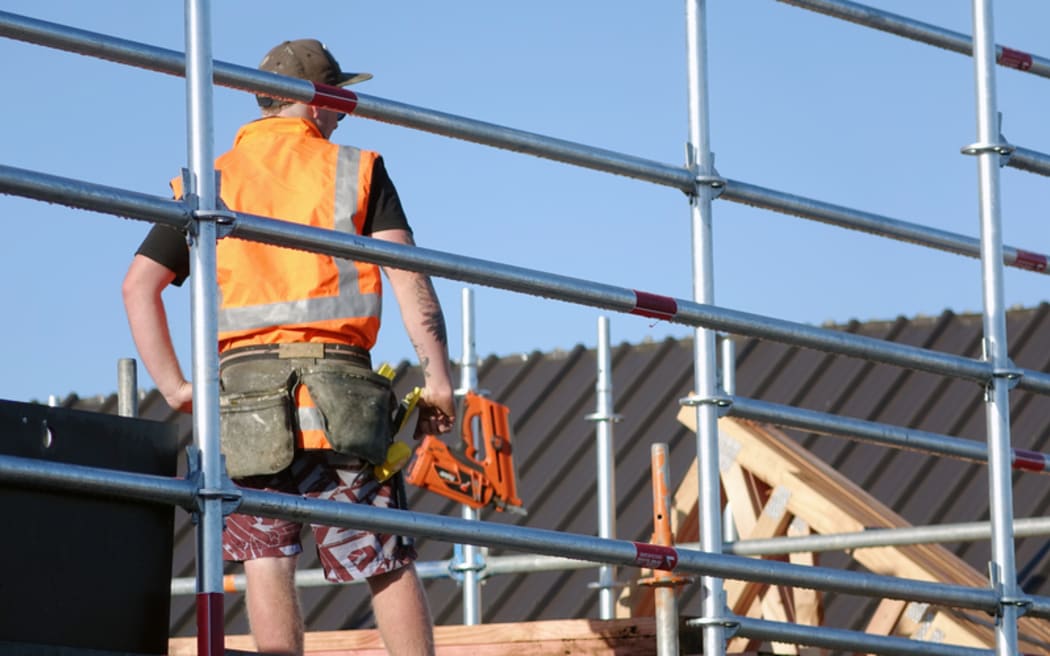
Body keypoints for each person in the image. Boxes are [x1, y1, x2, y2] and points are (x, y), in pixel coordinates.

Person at [122, 38, 455, 656]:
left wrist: (175, 388)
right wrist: (438, 376)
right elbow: (408, 273)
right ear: (316, 101)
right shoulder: (355, 167)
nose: (342, 113)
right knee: (380, 552)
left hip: (241, 399)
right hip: (340, 393)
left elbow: (139, 287)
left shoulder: (208, 180)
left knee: (265, 558)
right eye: (337, 99)